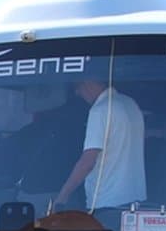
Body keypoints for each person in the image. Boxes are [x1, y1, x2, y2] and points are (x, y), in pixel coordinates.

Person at [56, 78, 146, 211]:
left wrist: (62, 196)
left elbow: (88, 162)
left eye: (78, 90)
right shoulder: (130, 103)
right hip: (136, 201)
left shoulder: (100, 110)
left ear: (87, 83)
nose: (79, 94)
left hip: (108, 202)